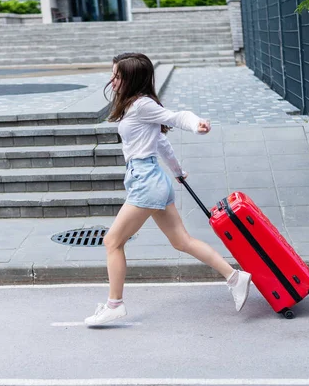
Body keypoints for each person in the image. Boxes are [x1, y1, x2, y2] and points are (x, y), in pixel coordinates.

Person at [84, 53, 252, 327]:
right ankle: (235, 278)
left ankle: (115, 305)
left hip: (146, 182)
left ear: (132, 79)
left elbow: (177, 117)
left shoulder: (141, 106)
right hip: (152, 179)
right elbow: (161, 142)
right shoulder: (133, 106)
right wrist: (177, 172)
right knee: (181, 241)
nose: (112, 80)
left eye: (117, 75)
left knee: (112, 242)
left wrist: (197, 125)